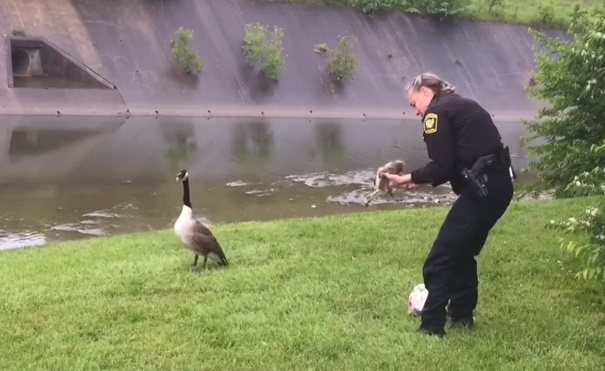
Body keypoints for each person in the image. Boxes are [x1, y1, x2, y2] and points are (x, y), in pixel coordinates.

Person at [383, 72, 515, 337]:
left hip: (482, 192)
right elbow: (454, 161)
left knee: (440, 259)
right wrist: (421, 179)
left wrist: (406, 178)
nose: (416, 112)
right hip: (499, 187)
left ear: (425, 92)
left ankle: (431, 326)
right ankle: (462, 316)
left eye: (413, 104)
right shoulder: (460, 104)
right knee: (462, 253)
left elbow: (442, 166)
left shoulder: (437, 113)